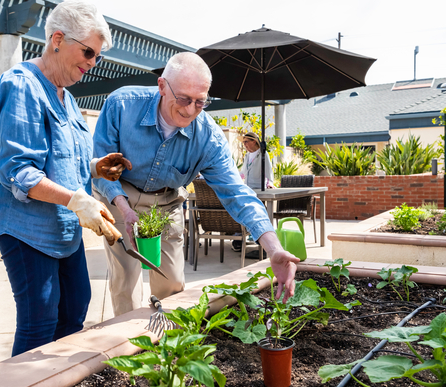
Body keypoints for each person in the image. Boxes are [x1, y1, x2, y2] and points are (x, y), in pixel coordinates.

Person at [91, 52, 299, 317]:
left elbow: (237, 194)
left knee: (172, 285)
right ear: (162, 86)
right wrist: (123, 206)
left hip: (166, 204)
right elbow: (102, 169)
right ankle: (132, 349)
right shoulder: (122, 105)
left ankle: (167, 347)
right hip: (120, 196)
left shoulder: (208, 137)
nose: (190, 110)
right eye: (184, 99)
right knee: (125, 282)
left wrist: (274, 248)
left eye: (200, 102)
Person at [0, 0, 131, 356]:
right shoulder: (21, 85)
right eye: (89, 52)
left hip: (61, 226)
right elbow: (18, 171)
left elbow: (59, 160)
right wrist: (78, 201)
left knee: (75, 307)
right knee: (40, 321)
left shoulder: (68, 98)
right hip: (24, 226)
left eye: (97, 57)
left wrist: (94, 168)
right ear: (58, 39)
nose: (92, 63)